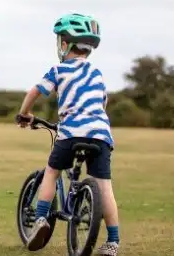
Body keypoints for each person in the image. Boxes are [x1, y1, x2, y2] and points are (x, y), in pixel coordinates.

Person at [16, 13, 121, 256]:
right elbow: (102, 103)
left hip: (71, 132)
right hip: (100, 134)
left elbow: (35, 91)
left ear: (64, 45)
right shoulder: (97, 74)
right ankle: (113, 241)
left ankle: (41, 219)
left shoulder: (58, 69)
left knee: (51, 173)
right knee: (105, 188)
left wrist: (24, 114)